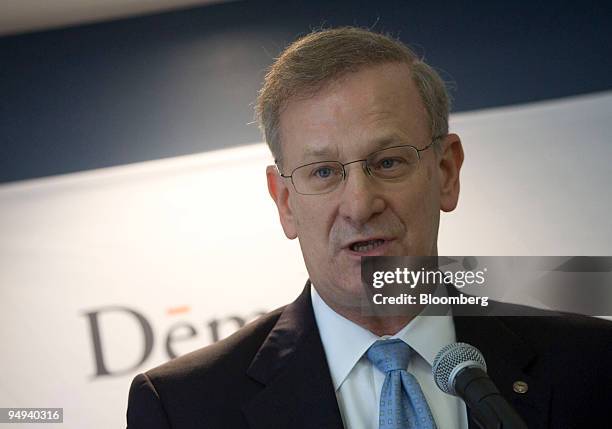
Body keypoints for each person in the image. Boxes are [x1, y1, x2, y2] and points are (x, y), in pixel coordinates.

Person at [126, 27, 612, 428]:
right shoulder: (184, 407)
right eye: (322, 172)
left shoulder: (592, 364)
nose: (359, 204)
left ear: (445, 172)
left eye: (387, 162)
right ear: (285, 201)